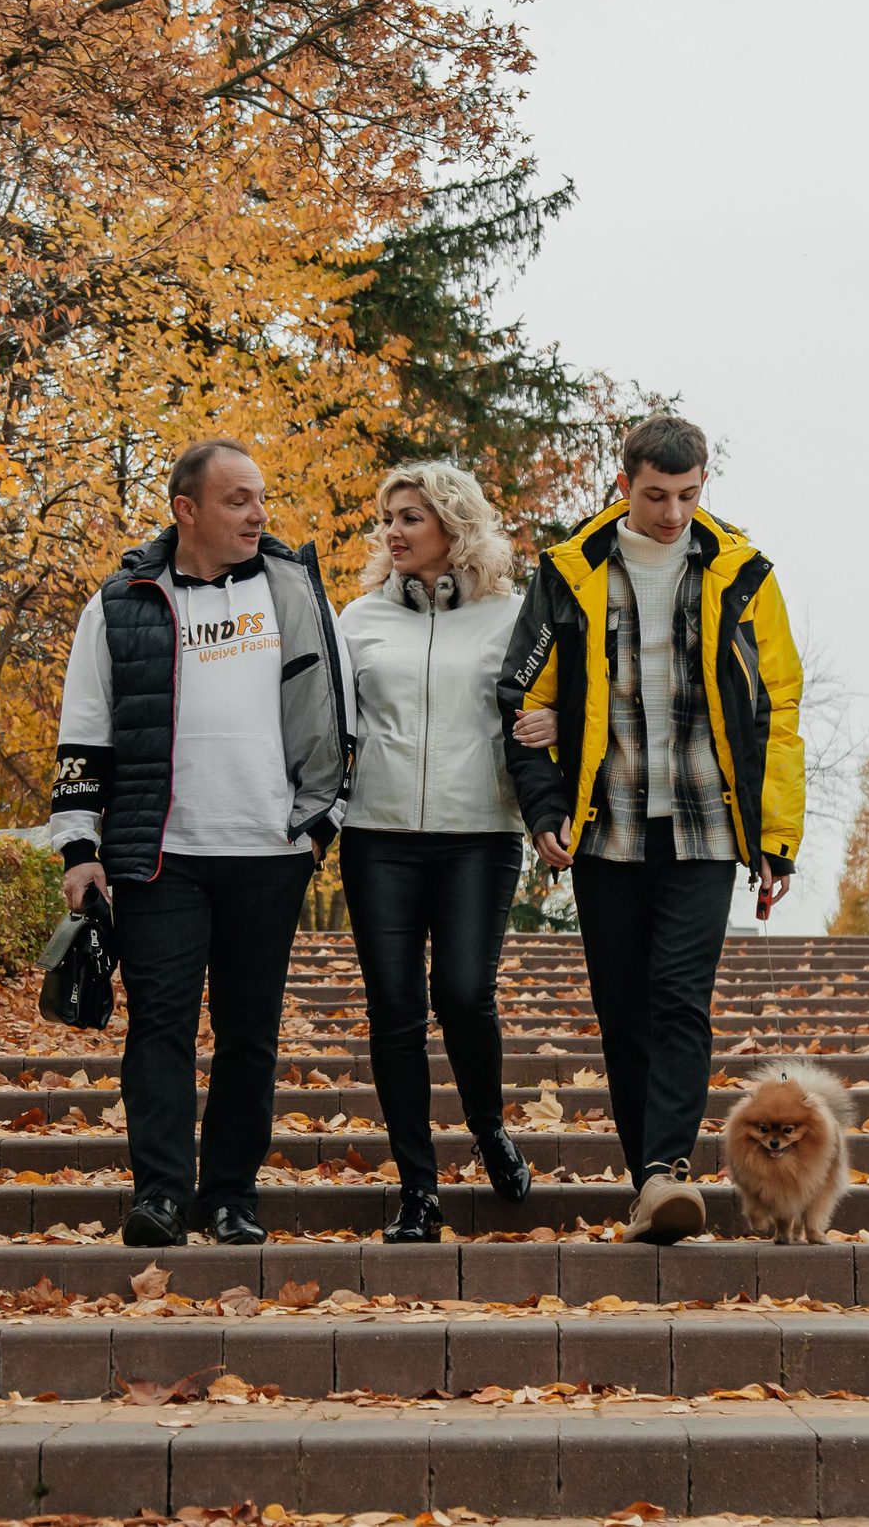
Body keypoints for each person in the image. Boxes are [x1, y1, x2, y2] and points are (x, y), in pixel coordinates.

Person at [498, 414, 806, 1244]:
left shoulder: (743, 574)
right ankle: (650, 1181)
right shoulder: (569, 572)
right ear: (624, 483)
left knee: (679, 999)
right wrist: (543, 809)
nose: (673, 513)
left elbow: (777, 711)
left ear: (705, 484)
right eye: (656, 495)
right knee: (622, 1007)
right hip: (608, 826)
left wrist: (776, 838)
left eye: (688, 494)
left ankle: (666, 1168)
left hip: (707, 823)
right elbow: (521, 697)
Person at [48, 438, 353, 1250]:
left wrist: (323, 822)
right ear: (187, 509)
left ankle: (230, 1196)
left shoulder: (292, 588)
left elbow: (337, 709)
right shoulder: (122, 601)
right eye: (237, 500)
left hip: (271, 849)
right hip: (159, 852)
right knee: (161, 1024)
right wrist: (80, 847)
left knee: (250, 1030)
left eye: (260, 497)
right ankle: (158, 1193)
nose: (258, 513)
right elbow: (84, 729)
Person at [339, 462, 534, 1243]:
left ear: (455, 524)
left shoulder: (512, 617)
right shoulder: (357, 618)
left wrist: (549, 737)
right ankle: (417, 1189)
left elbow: (547, 706)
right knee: (394, 1012)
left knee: (461, 992)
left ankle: (487, 1126)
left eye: (411, 517)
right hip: (377, 835)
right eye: (389, 517)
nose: (394, 531)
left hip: (479, 833)